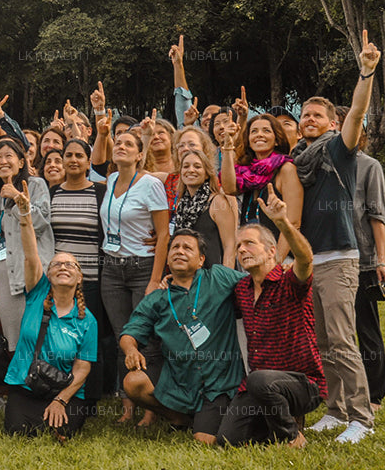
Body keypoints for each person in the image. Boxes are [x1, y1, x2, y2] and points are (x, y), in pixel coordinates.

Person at [295, 32, 382, 443]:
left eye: (316, 115)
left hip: (339, 258)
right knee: (324, 340)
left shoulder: (338, 151)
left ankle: (361, 419)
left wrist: (365, 73)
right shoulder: (298, 160)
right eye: (304, 115)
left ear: (331, 123)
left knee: (343, 340)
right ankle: (335, 409)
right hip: (311, 259)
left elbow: (357, 116)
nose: (308, 119)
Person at [216, 188, 325, 447]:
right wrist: (171, 281)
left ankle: (292, 436)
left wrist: (282, 223)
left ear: (271, 251)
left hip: (303, 383)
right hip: (259, 387)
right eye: (239, 245)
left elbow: (305, 259)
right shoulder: (241, 289)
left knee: (260, 378)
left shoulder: (289, 282)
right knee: (227, 441)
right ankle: (276, 423)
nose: (242, 250)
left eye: (250, 243)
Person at [120, 230, 245, 444]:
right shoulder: (158, 297)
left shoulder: (218, 277)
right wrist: (131, 350)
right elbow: (129, 332)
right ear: (168, 258)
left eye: (188, 248)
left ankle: (205, 420)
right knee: (133, 381)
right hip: (180, 380)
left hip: (219, 383)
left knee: (204, 439)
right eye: (175, 247)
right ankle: (179, 418)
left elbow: (254, 284)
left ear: (200, 260)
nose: (180, 251)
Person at [2, 184, 98, 439]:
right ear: (48, 272)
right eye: (57, 264)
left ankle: (61, 410)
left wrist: (62, 400)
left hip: (64, 389)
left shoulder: (87, 320)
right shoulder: (37, 292)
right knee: (17, 431)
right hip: (27, 385)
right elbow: (31, 253)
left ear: (80, 277)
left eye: (70, 265)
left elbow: (83, 368)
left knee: (63, 430)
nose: (63, 267)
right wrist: (25, 218)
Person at [99, 129, 170, 425]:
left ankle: (151, 407)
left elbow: (164, 234)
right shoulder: (111, 180)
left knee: (148, 340)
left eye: (130, 144)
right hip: (112, 268)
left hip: (143, 267)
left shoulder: (151, 184)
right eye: (119, 143)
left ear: (140, 155)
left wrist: (155, 279)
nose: (122, 147)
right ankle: (128, 406)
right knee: (121, 338)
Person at [335, 105, 385, 413]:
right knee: (335, 331)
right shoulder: (324, 165)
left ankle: (374, 396)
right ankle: (340, 393)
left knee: (365, 329)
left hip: (362, 260)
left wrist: (380, 260)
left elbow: (377, 216)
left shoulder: (369, 166)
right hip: (328, 260)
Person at [46, 139, 110, 402]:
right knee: (60, 339)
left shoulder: (101, 192)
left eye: (79, 155)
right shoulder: (52, 193)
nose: (73, 160)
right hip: (59, 282)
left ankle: (92, 398)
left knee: (91, 340)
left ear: (88, 161)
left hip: (91, 278)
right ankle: (58, 389)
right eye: (68, 155)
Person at [0, 137, 54, 351]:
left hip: (33, 273)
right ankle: (18, 383)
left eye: (8, 156)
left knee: (39, 337)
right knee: (14, 341)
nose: (3, 161)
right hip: (5, 277)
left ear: (21, 162)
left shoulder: (35, 185)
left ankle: (41, 381)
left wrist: (17, 200)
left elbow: (41, 224)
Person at [220, 112, 303, 251]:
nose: (259, 135)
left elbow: (293, 223)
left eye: (266, 131)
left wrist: (277, 263)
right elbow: (228, 188)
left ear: (276, 140)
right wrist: (228, 146)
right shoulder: (246, 172)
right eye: (254, 131)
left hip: (279, 258)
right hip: (250, 255)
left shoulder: (286, 169)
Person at [172, 149, 237, 268]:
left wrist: (225, 277)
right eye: (186, 166)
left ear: (207, 173)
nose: (190, 170)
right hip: (186, 277)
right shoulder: (182, 205)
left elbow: (230, 245)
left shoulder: (217, 202)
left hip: (212, 276)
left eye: (197, 166)